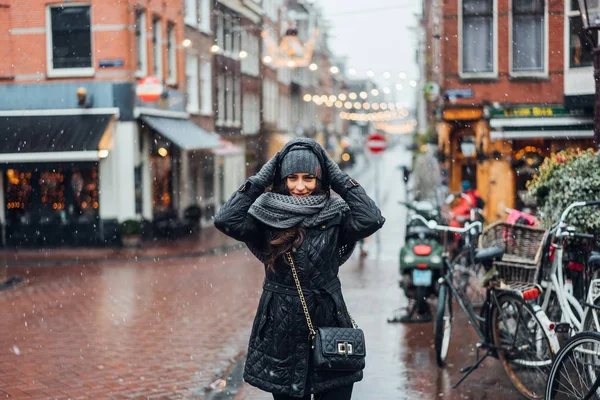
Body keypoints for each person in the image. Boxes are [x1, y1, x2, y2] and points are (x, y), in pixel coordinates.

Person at [214, 138, 385, 400]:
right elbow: (226, 220)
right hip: (281, 330)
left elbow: (371, 218)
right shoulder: (265, 216)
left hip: (330, 322)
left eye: (309, 178)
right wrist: (260, 179)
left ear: (321, 178)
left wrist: (335, 174)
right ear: (282, 179)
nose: (301, 186)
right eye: (292, 178)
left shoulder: (335, 214)